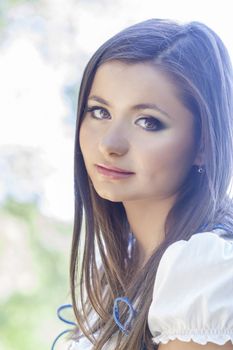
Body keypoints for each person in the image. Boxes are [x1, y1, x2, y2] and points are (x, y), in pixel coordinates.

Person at [52, 18, 233, 350]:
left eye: (147, 122)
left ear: (204, 146)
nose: (110, 143)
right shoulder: (120, 270)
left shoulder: (207, 271)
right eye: (99, 112)